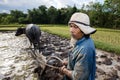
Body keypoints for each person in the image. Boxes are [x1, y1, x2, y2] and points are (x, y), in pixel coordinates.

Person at [59, 12, 96, 80]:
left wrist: (65, 71)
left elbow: (78, 77)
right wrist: (68, 63)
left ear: (83, 30)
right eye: (71, 26)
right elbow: (78, 60)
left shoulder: (85, 49)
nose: (71, 30)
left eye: (76, 27)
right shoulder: (80, 41)